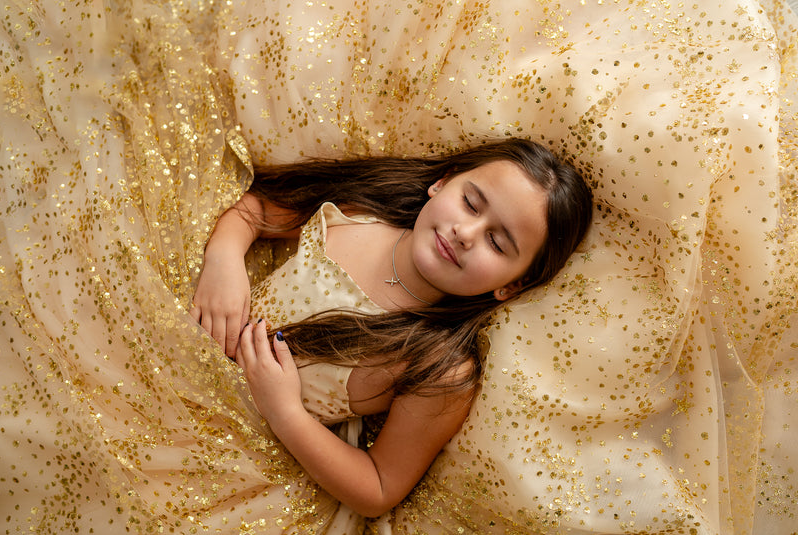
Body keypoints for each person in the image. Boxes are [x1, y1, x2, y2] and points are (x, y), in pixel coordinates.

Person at [188, 138, 592, 517]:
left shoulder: (440, 367)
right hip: (188, 348)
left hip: (240, 449)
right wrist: (224, 258)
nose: (465, 234)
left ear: (512, 284)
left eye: (498, 243)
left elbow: (380, 487)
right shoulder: (363, 210)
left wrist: (286, 413)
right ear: (443, 182)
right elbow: (258, 209)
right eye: (470, 203)